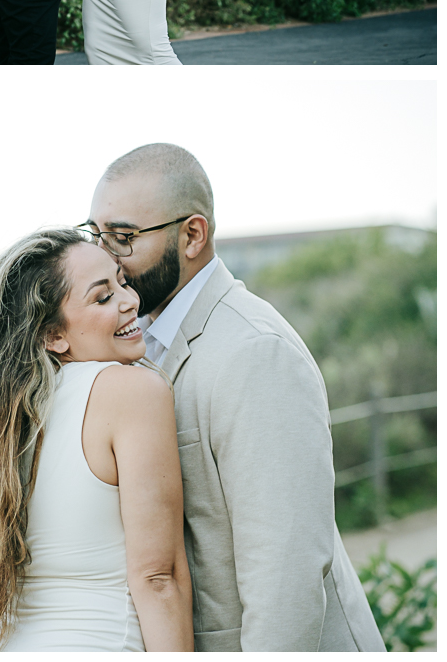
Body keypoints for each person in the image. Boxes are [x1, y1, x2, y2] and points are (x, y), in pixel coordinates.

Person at [81, 143, 387, 652]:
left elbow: (285, 576)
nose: (103, 255)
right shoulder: (140, 343)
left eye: (123, 237)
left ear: (193, 235)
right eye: (96, 235)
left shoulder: (254, 352)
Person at [0, 228, 193, 653]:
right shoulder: (132, 391)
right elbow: (159, 577)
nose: (130, 300)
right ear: (53, 335)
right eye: (103, 297)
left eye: (123, 281)